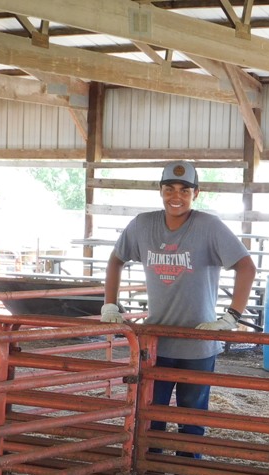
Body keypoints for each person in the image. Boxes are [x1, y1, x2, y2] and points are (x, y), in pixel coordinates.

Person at [101, 161, 256, 456]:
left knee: (192, 420)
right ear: (160, 191)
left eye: (185, 190)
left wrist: (231, 316)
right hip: (156, 343)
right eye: (169, 189)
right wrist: (110, 304)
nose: (176, 196)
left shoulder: (209, 227)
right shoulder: (143, 225)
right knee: (151, 417)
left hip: (198, 345)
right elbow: (116, 260)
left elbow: (246, 266)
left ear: (196, 193)